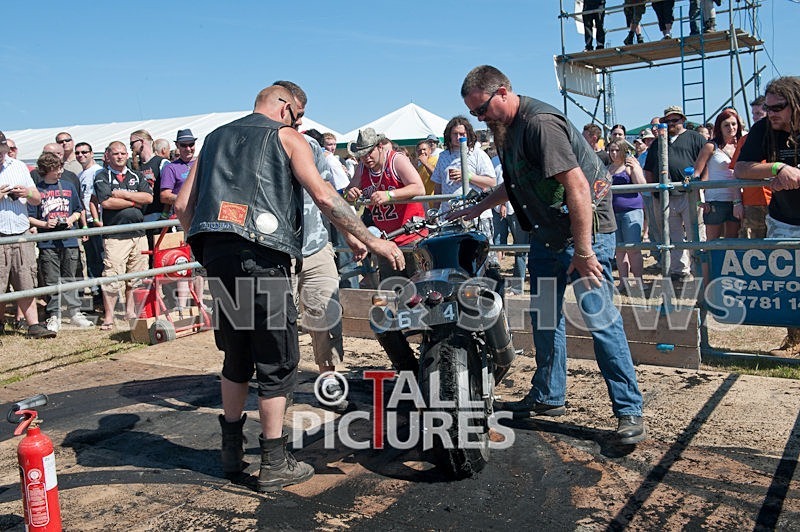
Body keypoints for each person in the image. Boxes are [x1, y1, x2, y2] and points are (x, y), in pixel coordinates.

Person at [175, 85, 403, 492]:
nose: (297, 124)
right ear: (286, 108)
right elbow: (324, 195)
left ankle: (231, 452)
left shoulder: (213, 139)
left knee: (236, 354)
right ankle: (274, 461)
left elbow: (181, 206)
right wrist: (371, 239)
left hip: (218, 256)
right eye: (298, 116)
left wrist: (207, 247)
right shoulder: (285, 136)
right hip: (264, 257)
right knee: (277, 359)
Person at [456, 65, 646, 444]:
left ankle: (629, 410)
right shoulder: (506, 130)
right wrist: (476, 208)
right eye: (475, 113)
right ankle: (548, 395)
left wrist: (585, 250)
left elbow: (577, 186)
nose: (480, 118)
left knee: (600, 321)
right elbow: (517, 183)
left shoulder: (540, 124)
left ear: (504, 92)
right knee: (544, 317)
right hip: (548, 235)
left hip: (586, 234)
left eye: (482, 110)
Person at [734, 76, 800, 358]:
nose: (770, 113)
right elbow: (741, 168)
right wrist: (776, 168)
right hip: (784, 219)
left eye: (777, 107)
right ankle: (795, 339)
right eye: (767, 107)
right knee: (789, 284)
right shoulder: (764, 129)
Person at [27, 152, 94, 331]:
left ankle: (74, 312)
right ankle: (54, 315)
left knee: (70, 277)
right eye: (57, 169)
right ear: (47, 170)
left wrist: (72, 219)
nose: (60, 171)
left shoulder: (69, 186)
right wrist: (44, 224)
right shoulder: (36, 191)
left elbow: (79, 209)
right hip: (47, 242)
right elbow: (29, 217)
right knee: (51, 280)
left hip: (69, 239)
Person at [93, 141, 153, 330]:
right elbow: (107, 203)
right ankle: (109, 317)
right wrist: (135, 201)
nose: (119, 156)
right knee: (112, 276)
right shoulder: (102, 176)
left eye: (122, 153)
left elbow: (149, 198)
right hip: (115, 235)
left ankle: (130, 312)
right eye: (115, 153)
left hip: (138, 233)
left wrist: (123, 195)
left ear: (127, 155)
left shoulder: (136, 175)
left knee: (135, 276)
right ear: (108, 156)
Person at [643, 105, 707, 282]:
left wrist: (702, 186)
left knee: (696, 231)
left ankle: (700, 268)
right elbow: (648, 169)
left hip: (690, 193)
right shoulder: (657, 143)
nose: (671, 124)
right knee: (673, 234)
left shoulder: (695, 138)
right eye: (667, 121)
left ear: (683, 120)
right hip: (665, 196)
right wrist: (654, 189)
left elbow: (705, 162)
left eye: (675, 120)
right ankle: (680, 270)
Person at [0, 131, 54, 339]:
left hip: (20, 232)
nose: (1, 155)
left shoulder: (19, 166)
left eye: (2, 151)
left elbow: (37, 198)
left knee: (25, 279)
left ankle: (33, 325)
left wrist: (26, 193)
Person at [430, 116, 500, 275]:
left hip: (477, 215)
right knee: (454, 259)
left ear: (468, 134)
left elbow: (491, 182)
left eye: (462, 133)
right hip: (450, 215)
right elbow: (438, 185)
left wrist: (467, 176)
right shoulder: (443, 156)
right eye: (454, 133)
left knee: (482, 259)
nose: (458, 137)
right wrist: (435, 211)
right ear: (449, 135)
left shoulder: (477, 153)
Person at [692, 109, 744, 240]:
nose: (731, 128)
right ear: (719, 127)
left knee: (732, 242)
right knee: (712, 244)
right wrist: (700, 201)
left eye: (734, 124)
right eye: (726, 125)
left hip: (737, 200)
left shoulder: (742, 145)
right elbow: (696, 174)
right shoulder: (711, 146)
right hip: (715, 201)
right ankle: (706, 262)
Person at [606, 139, 646, 289]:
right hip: (613, 212)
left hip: (632, 211)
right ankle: (623, 282)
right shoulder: (607, 169)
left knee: (633, 248)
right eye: (611, 150)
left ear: (623, 151)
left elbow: (642, 185)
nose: (614, 153)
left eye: (617, 150)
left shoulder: (629, 166)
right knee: (619, 250)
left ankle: (639, 282)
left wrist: (635, 168)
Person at [130, 129, 169, 223]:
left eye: (132, 143)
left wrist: (164, 214)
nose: (131, 147)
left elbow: (169, 190)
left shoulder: (162, 163)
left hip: (158, 216)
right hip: (140, 218)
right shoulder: (134, 166)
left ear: (142, 141)